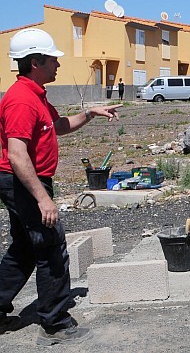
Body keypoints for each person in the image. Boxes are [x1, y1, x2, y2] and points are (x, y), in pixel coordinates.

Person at [0, 28, 120, 345]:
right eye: (53, 59)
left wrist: (89, 113)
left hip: (24, 180)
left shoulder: (35, 94)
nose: (58, 65)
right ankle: (55, 321)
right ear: (36, 61)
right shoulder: (21, 101)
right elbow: (16, 154)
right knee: (51, 245)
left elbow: (57, 126)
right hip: (22, 181)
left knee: (25, 247)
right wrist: (43, 199)